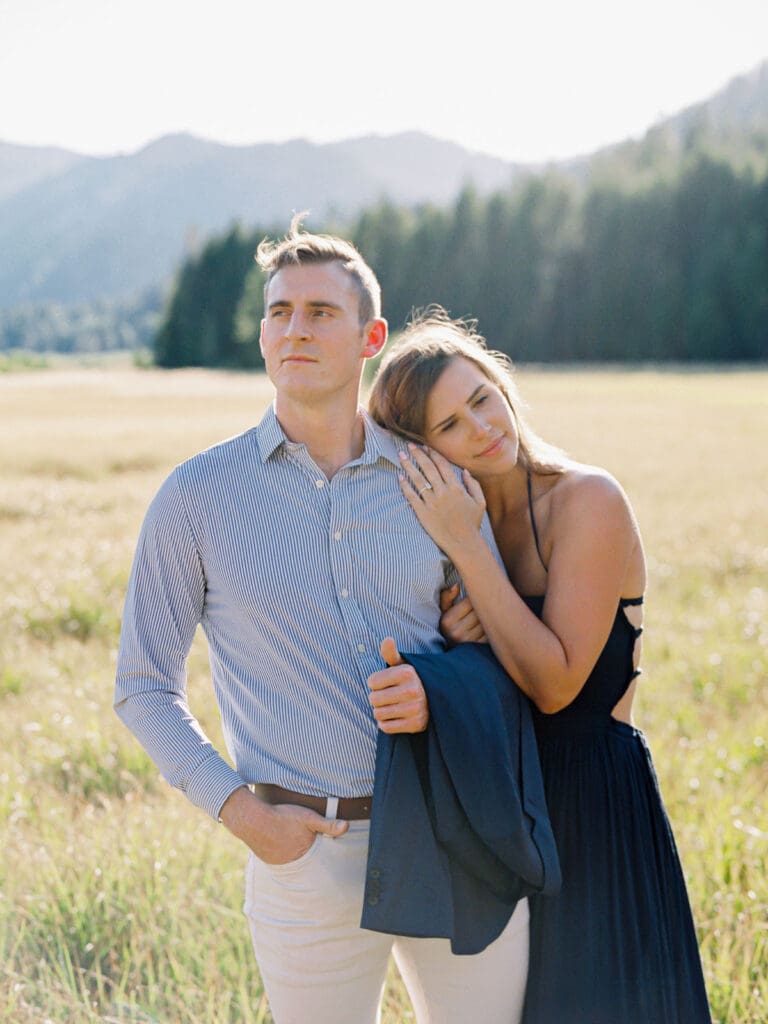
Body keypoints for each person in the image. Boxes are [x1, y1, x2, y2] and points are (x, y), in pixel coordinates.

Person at [114, 222, 531, 1024]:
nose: (294, 330)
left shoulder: (437, 481)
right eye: (279, 313)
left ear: (371, 336)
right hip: (302, 852)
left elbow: (498, 646)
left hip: (453, 826)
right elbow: (142, 687)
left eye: (318, 313)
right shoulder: (194, 497)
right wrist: (243, 816)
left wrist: (442, 687)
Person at [368, 308, 712, 1024]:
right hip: (499, 808)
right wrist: (456, 639)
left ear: (501, 381)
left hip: (595, 810)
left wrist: (474, 558)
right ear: (422, 453)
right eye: (449, 427)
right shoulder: (448, 524)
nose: (482, 428)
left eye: (481, 399)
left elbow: (556, 687)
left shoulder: (587, 499)